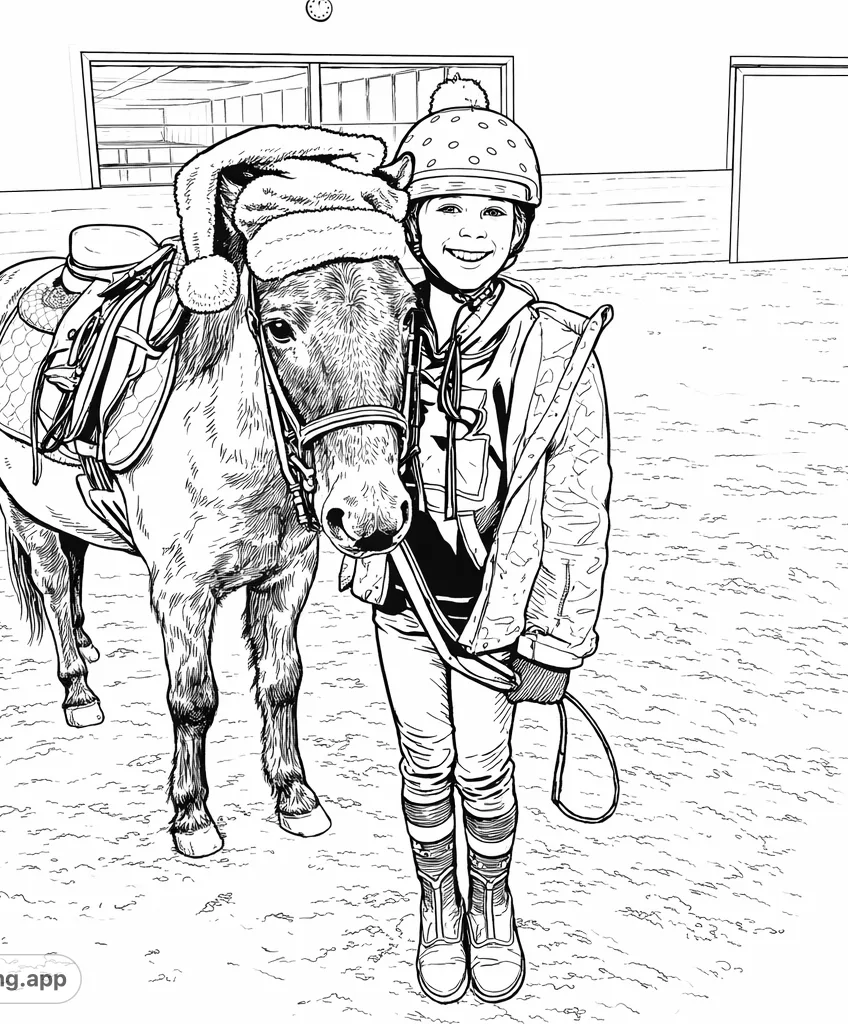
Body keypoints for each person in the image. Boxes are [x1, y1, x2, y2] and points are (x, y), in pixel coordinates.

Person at [339, 76, 614, 1004]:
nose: (469, 231)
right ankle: (437, 906)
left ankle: (491, 903)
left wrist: (557, 642)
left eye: (493, 211)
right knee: (424, 757)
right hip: (406, 594)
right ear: (412, 223)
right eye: (447, 207)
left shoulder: (559, 346)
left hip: (498, 608)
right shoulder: (377, 324)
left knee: (485, 765)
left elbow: (578, 509)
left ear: (520, 228)